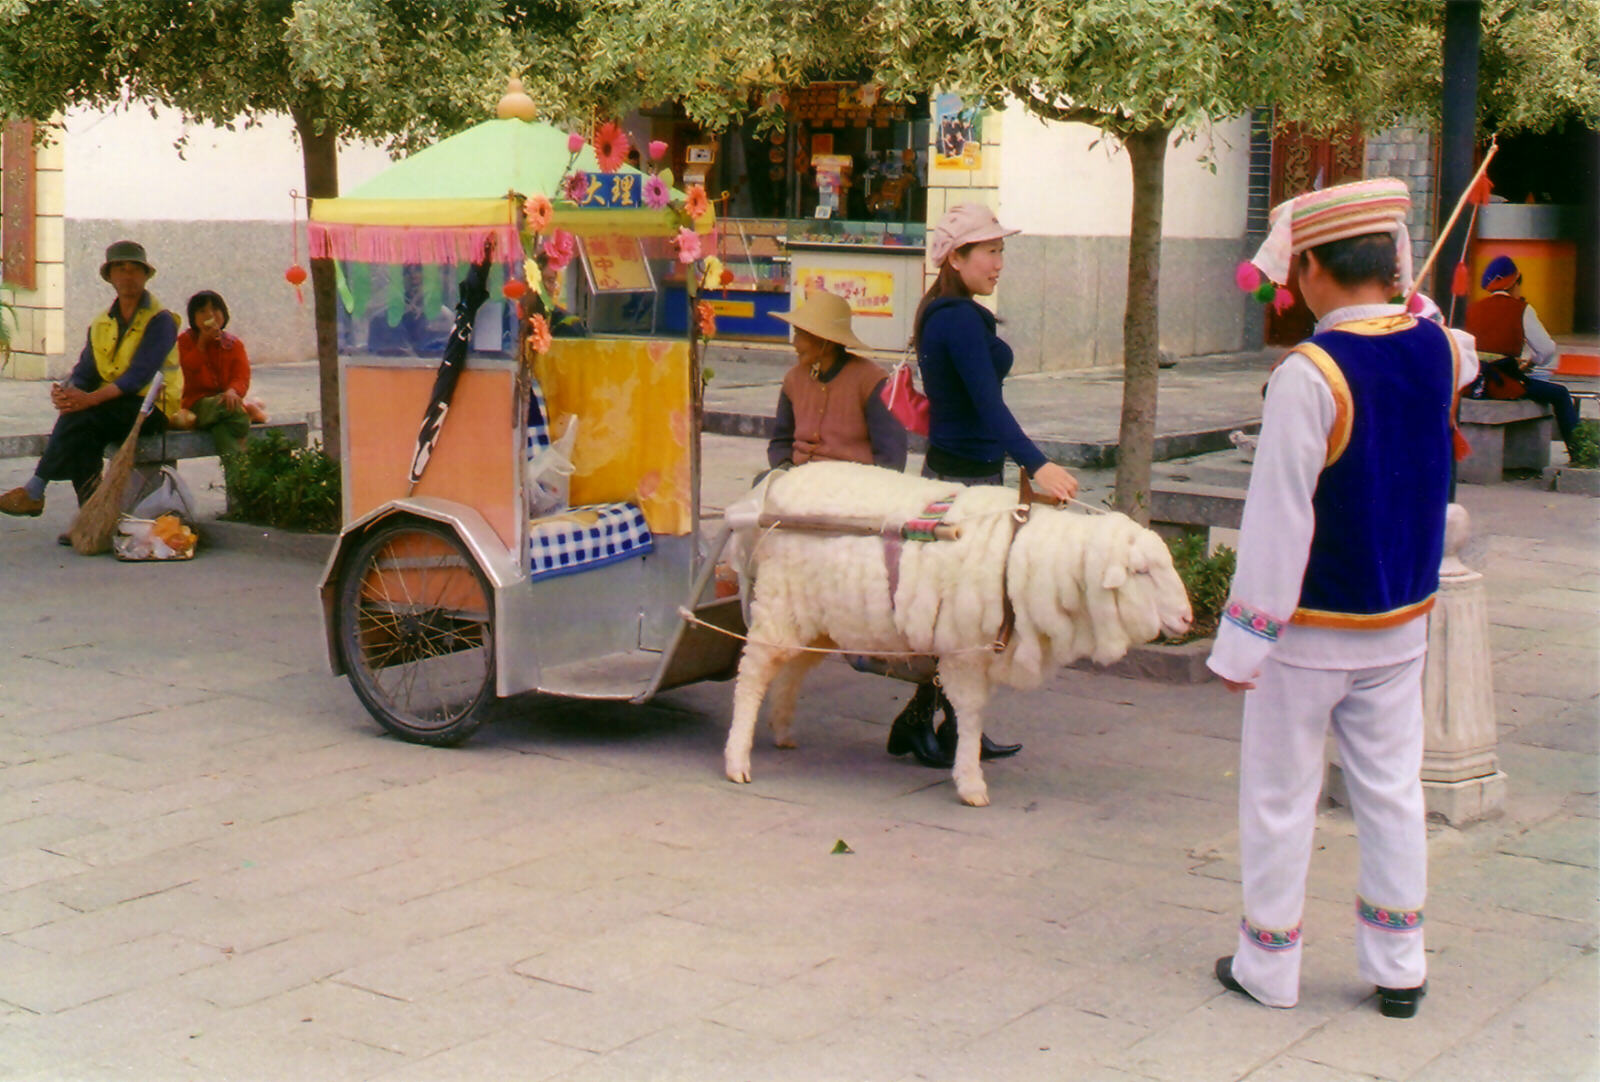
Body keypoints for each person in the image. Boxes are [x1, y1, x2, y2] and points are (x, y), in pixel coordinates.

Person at [1207, 177, 1478, 1020]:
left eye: (1296, 268)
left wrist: (1243, 642)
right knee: (1392, 791)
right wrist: (1420, 311)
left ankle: (1270, 963)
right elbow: (1457, 344)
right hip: (1400, 622)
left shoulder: (1310, 373)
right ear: (1391, 265)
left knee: (1281, 795)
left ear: (1316, 269)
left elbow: (1280, 521)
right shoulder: (1438, 351)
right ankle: (1399, 965)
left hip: (1311, 633)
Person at [885, 202, 1078, 770]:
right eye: (989, 251)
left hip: (958, 474)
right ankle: (930, 722)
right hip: (966, 484)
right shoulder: (959, 319)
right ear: (957, 256)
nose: (998, 263)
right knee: (965, 613)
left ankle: (936, 724)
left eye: (1001, 251)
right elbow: (988, 407)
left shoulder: (944, 313)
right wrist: (1038, 465)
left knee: (965, 612)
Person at [0, 240, 182, 524]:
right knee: (82, 432)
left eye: (135, 269)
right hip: (115, 406)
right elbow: (86, 371)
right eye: (120, 269)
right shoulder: (101, 323)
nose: (127, 275)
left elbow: (137, 377)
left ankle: (36, 489)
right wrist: (67, 391)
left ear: (146, 276)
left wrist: (87, 399)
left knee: (83, 418)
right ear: (109, 277)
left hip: (152, 408)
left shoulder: (161, 320)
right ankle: (92, 520)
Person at [766, 290, 907, 472]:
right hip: (800, 479)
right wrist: (784, 468)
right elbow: (781, 441)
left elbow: (891, 456)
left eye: (800, 335)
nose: (795, 343)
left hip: (853, 484)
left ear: (826, 341)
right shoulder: (793, 379)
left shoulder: (871, 381)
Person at [1464, 254, 1581, 460]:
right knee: (1561, 394)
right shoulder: (1522, 310)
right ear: (1514, 283)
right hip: (1503, 385)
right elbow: (1546, 349)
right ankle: (1579, 452)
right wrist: (1531, 364)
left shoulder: (1472, 309)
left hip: (1473, 384)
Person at [176, 290, 252, 457]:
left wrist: (233, 391)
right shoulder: (185, 341)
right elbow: (187, 373)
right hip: (196, 405)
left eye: (215, 309)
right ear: (193, 317)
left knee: (223, 432)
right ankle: (243, 420)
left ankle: (238, 480)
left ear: (224, 314)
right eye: (202, 311)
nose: (210, 315)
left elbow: (241, 376)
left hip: (225, 408)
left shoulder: (234, 344)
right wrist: (202, 344)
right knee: (230, 409)